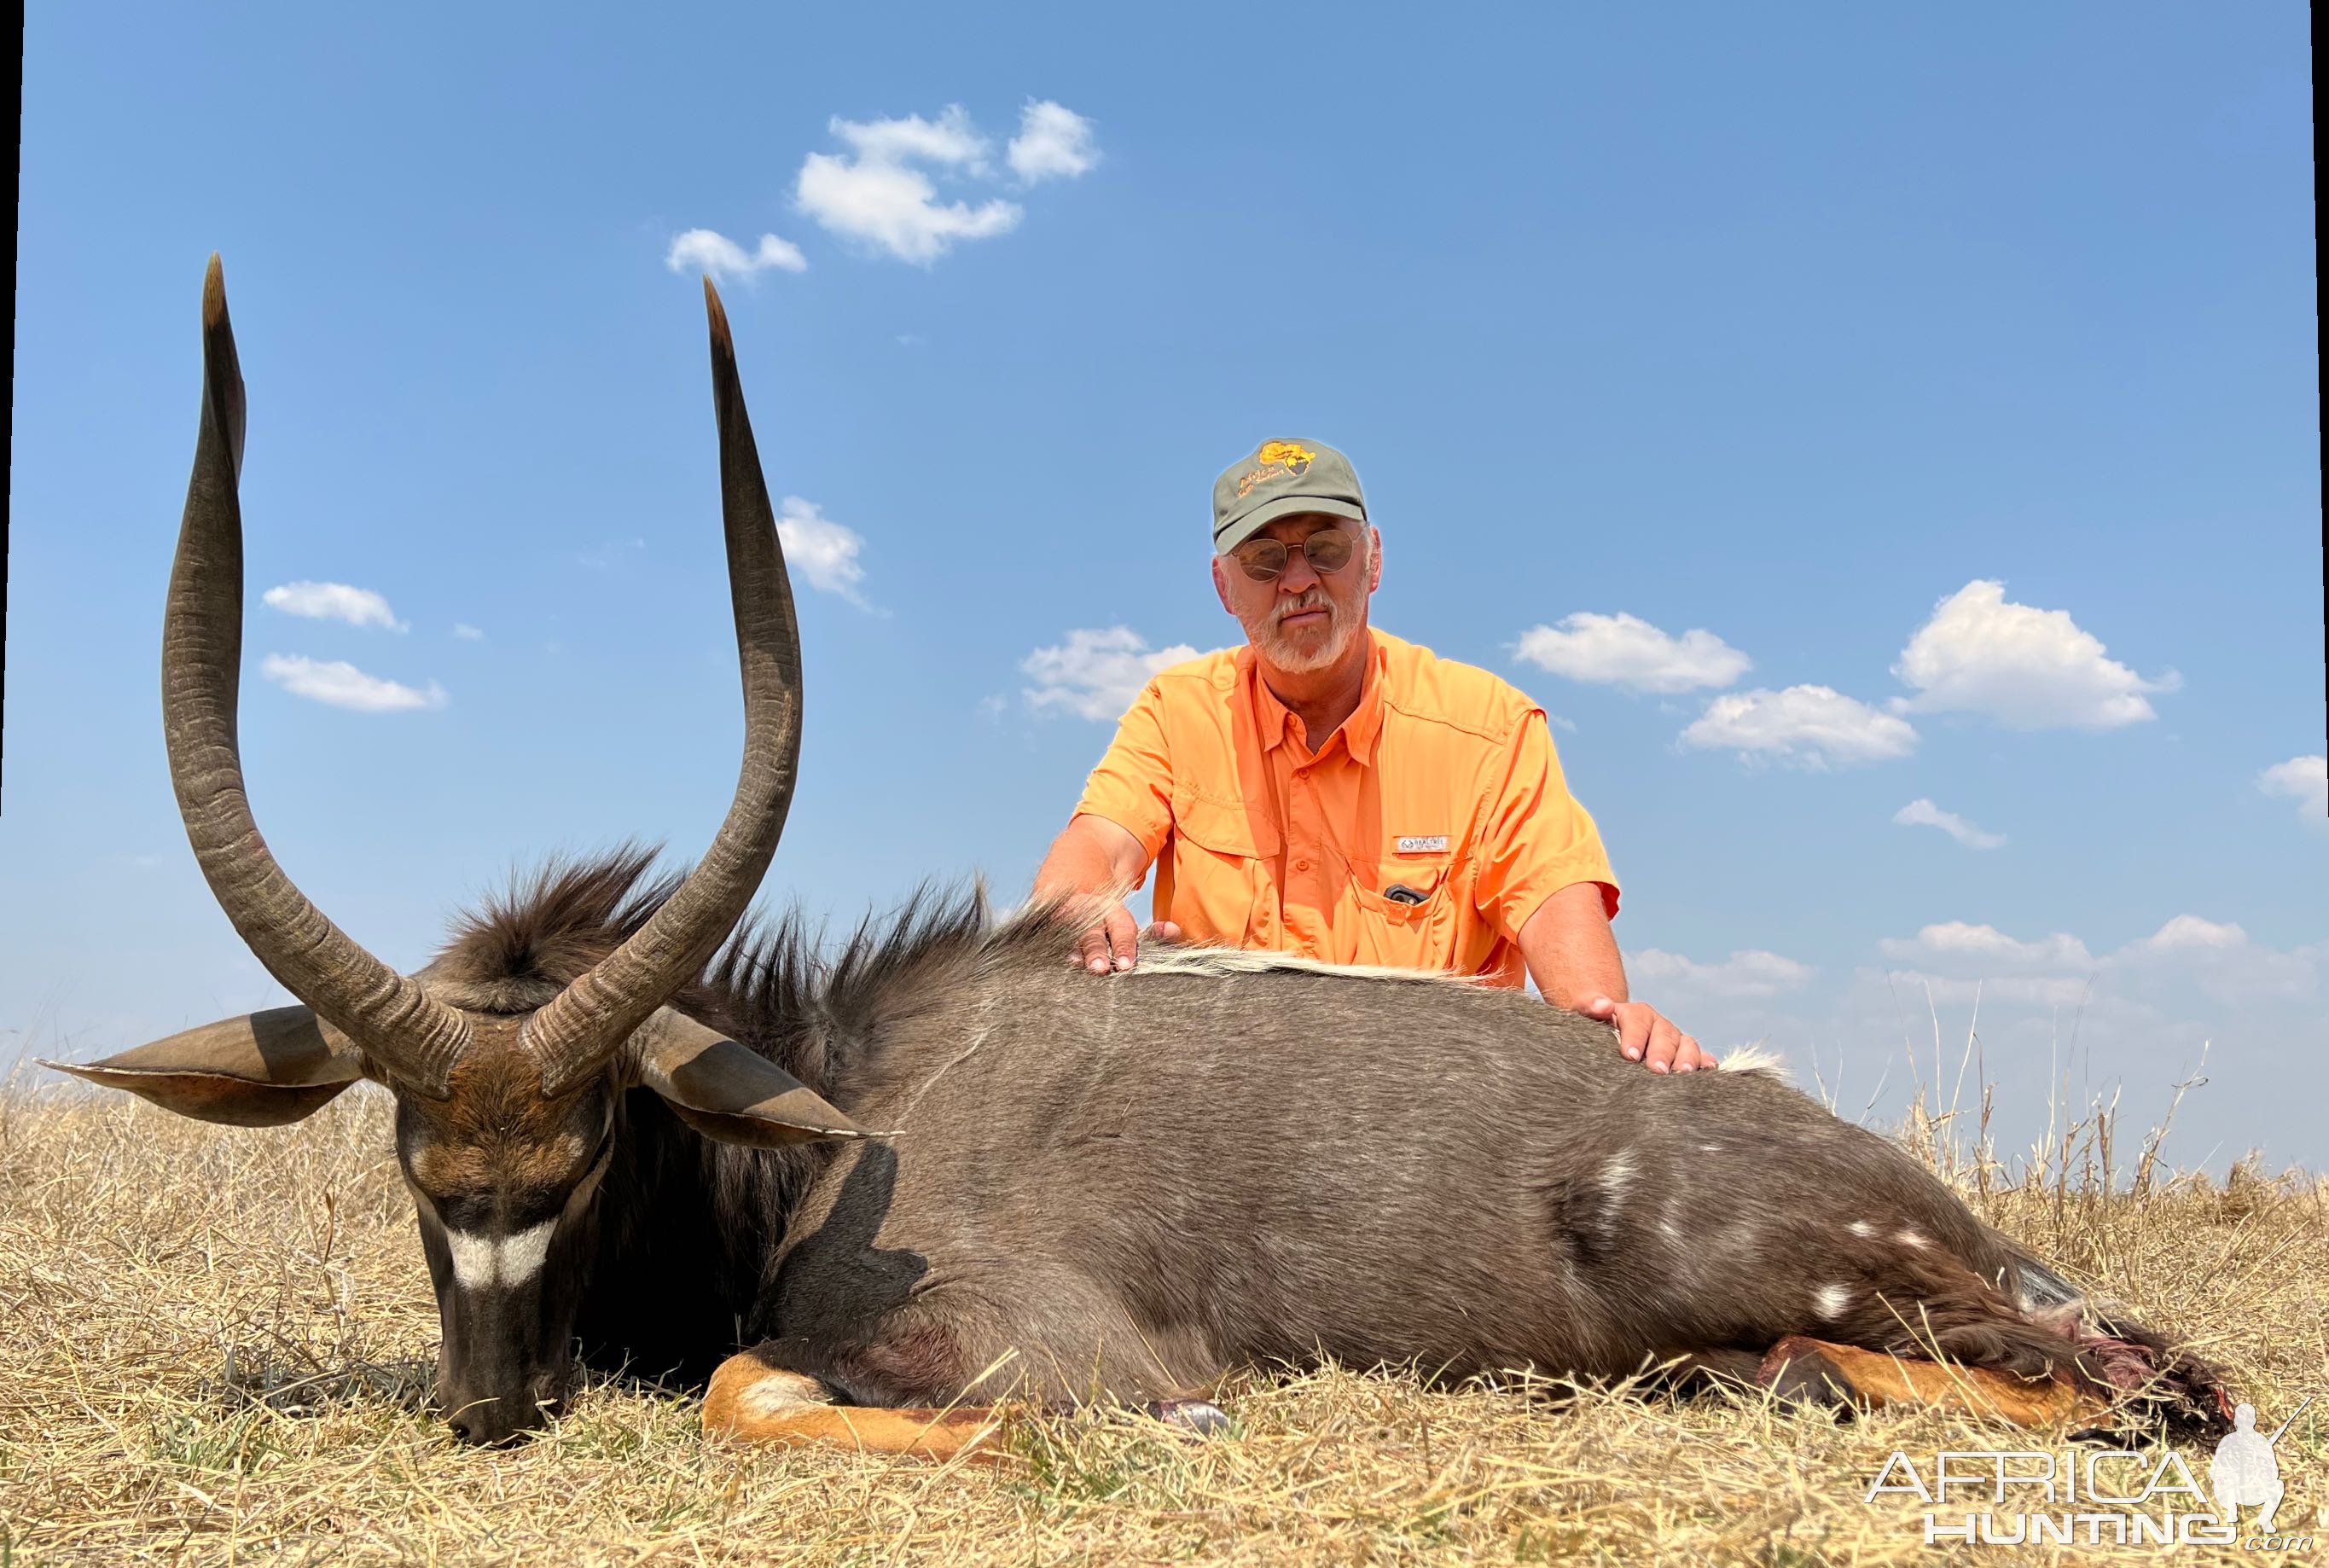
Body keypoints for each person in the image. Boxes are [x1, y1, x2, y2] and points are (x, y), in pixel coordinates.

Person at [1033, 438, 1713, 1073]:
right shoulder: (1177, 711)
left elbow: (1550, 900)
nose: (1298, 580)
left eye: (1325, 549)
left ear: (1374, 558)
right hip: (1226, 1126)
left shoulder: (1489, 727)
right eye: (1265, 560)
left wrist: (1604, 1020)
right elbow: (1098, 842)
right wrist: (1074, 903)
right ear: (1223, 586)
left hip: (1420, 1129)